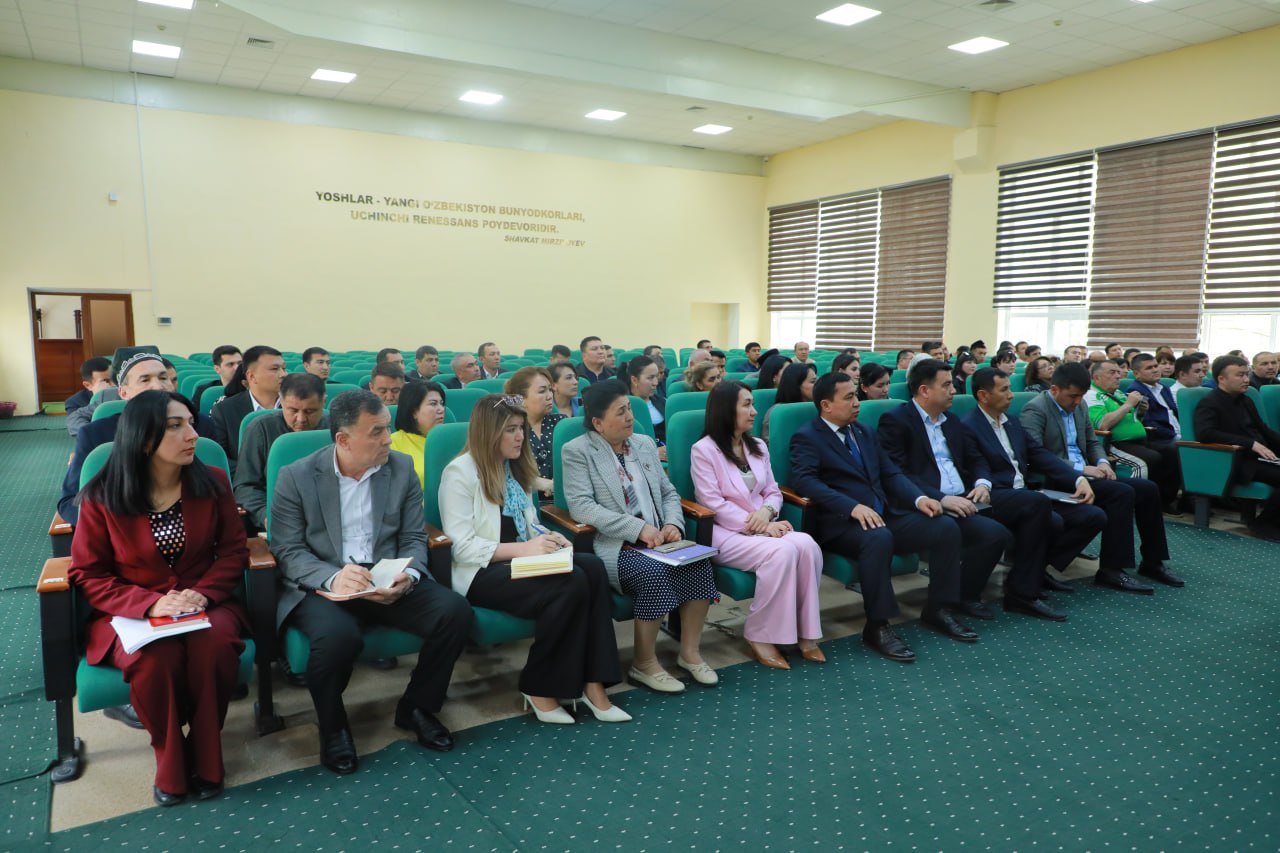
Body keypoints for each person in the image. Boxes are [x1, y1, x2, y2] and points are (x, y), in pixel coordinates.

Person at [269, 390, 473, 775]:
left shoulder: (400, 467)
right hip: (326, 580)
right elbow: (288, 550)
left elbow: (413, 536)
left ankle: (417, 707)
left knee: (454, 612)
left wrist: (409, 574)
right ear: (343, 440)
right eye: (377, 432)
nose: (388, 439)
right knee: (337, 637)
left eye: (388, 429)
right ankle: (333, 727)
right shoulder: (297, 476)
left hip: (384, 573)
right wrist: (333, 577)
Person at [70, 390, 248, 806]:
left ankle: (206, 750)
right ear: (144, 437)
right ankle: (170, 756)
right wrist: (148, 604)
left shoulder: (212, 482)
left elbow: (233, 551)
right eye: (175, 426)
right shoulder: (103, 494)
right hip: (130, 612)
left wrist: (202, 593)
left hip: (203, 603)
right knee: (154, 659)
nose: (192, 434)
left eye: (191, 423)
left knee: (215, 647)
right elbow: (87, 573)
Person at [439, 394, 628, 723]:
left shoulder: (515, 467)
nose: (520, 437)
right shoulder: (460, 473)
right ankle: (539, 686)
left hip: (522, 561)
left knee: (593, 567)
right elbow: (461, 547)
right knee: (571, 583)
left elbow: (529, 525)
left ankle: (593, 683)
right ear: (488, 433)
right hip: (482, 572)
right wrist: (525, 549)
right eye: (510, 430)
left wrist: (549, 538)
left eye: (521, 429)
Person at [788, 372, 963, 662]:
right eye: (849, 398)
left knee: (944, 526)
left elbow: (890, 473)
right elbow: (805, 481)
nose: (857, 403)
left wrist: (919, 499)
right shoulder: (808, 437)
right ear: (826, 405)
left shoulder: (864, 432)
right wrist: (851, 506)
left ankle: (939, 608)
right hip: (842, 524)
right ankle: (877, 625)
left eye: (856, 396)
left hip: (884, 514)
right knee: (878, 538)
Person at [563, 380, 719, 693]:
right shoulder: (578, 451)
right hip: (618, 545)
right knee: (653, 574)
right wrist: (637, 529)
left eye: (629, 409)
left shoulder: (644, 444)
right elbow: (582, 507)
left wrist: (673, 524)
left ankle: (689, 653)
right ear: (598, 423)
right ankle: (644, 663)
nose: (630, 417)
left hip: (661, 539)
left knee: (700, 564)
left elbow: (669, 492)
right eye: (621, 412)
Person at [877, 359, 1015, 634]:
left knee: (995, 534)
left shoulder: (951, 421)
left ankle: (964, 595)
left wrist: (982, 482)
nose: (954, 390)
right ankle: (938, 609)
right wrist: (940, 498)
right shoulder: (896, 420)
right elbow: (897, 473)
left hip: (961, 499)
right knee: (946, 529)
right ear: (924, 390)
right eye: (947, 385)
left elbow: (975, 458)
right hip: (920, 505)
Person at [692, 383, 823, 668]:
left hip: (764, 524)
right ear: (726, 410)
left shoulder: (757, 446)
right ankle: (760, 635)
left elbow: (773, 491)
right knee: (782, 552)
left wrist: (767, 512)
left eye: (752, 404)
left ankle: (805, 632)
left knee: (808, 545)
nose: (754, 411)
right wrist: (762, 525)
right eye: (746, 405)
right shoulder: (704, 450)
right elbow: (712, 503)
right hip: (725, 533)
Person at [1019, 363, 1182, 590]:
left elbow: (1092, 442)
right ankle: (1112, 569)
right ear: (1055, 389)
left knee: (1148, 489)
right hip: (1059, 478)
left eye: (1081, 396)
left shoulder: (1079, 406)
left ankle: (1153, 562)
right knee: (1121, 493)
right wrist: (1081, 469)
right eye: (1072, 396)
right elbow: (1035, 455)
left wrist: (1103, 462)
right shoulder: (1036, 409)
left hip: (1088, 473)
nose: (1077, 401)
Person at [963, 369, 1107, 618]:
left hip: (1024, 495)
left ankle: (1035, 571)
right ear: (983, 395)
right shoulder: (968, 426)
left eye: (1010, 388)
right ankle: (1021, 593)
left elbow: (1039, 455)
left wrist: (1078, 478)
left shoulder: (1011, 421)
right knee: (1039, 506)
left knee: (1092, 516)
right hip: (992, 495)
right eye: (1004, 390)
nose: (1011, 394)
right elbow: (976, 467)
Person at [59, 354, 179, 527]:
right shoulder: (95, 434)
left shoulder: (199, 427)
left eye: (163, 378)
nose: (158, 386)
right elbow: (70, 501)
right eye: (145, 380)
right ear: (123, 392)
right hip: (121, 529)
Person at [1194, 354, 1280, 540]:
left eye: (1246, 374)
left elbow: (1264, 431)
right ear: (1221, 379)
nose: (1246, 379)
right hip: (1235, 460)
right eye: (1240, 375)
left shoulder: (1245, 399)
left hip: (1257, 457)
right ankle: (1263, 524)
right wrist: (1250, 443)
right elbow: (1206, 433)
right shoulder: (1210, 403)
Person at [233, 373, 328, 529]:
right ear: (281, 401)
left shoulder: (336, 429)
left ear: (323, 402)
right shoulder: (261, 429)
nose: (301, 419)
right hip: (277, 514)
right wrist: (266, 516)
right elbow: (245, 486)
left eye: (310, 411)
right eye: (293, 410)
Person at [1084, 359, 1180, 509]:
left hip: (1138, 440)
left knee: (1172, 451)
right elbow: (1103, 424)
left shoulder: (1118, 393)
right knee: (1151, 458)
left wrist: (1140, 411)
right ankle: (1137, 505)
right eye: (1112, 372)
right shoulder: (1092, 395)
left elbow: (1132, 420)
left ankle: (1164, 501)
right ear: (1097, 377)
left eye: (1118, 372)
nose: (1118, 376)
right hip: (1114, 443)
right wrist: (1129, 404)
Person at [210, 345, 285, 473]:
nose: (283, 374)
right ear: (251, 376)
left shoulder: (297, 407)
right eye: (275, 369)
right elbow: (221, 458)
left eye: (284, 368)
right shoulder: (225, 410)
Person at [504, 367, 563, 495]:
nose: (550, 396)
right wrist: (536, 482)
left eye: (550, 390)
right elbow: (503, 471)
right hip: (524, 497)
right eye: (542, 391)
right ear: (521, 399)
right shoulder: (509, 430)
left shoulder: (561, 423)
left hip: (563, 497)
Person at [389, 380, 447, 490]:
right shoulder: (392, 443)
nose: (441, 409)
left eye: (442, 403)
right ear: (414, 412)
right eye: (433, 404)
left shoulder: (450, 440)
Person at [1126, 352, 1181, 443]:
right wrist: (1177, 438)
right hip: (1162, 440)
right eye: (1149, 368)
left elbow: (1174, 413)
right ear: (1136, 374)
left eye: (1156, 366)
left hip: (1180, 435)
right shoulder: (1135, 391)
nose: (1155, 370)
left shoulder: (1164, 388)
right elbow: (1149, 423)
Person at [763, 362, 816, 441]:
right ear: (796, 385)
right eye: (813, 382)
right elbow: (772, 446)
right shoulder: (778, 413)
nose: (818, 385)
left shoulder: (819, 408)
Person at [624, 355, 666, 443]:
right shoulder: (623, 407)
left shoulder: (663, 402)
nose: (655, 383)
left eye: (656, 376)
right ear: (634, 380)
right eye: (650, 378)